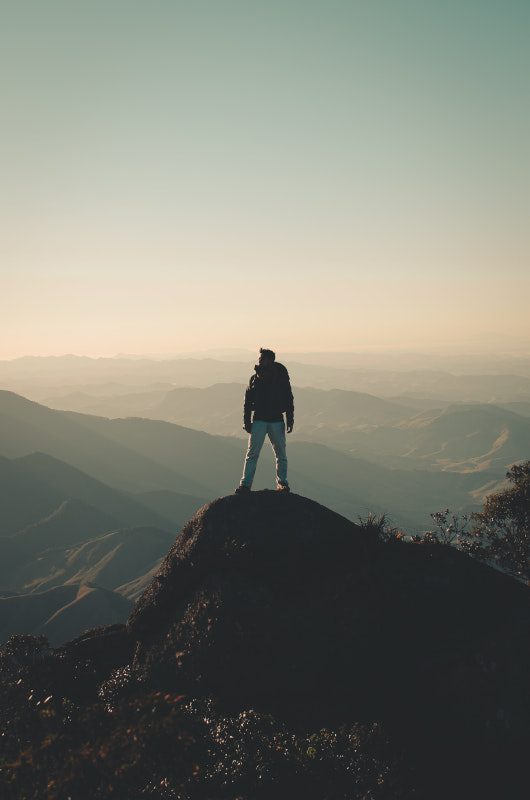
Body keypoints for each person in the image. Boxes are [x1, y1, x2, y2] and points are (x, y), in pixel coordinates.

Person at [235, 348, 294, 493]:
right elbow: (247, 401)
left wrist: (290, 420)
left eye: (262, 358)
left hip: (273, 420)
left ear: (270, 360)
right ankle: (245, 485)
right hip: (262, 420)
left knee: (279, 455)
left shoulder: (280, 377)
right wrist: (246, 421)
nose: (259, 360)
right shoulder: (255, 378)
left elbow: (288, 398)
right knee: (254, 454)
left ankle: (281, 483)